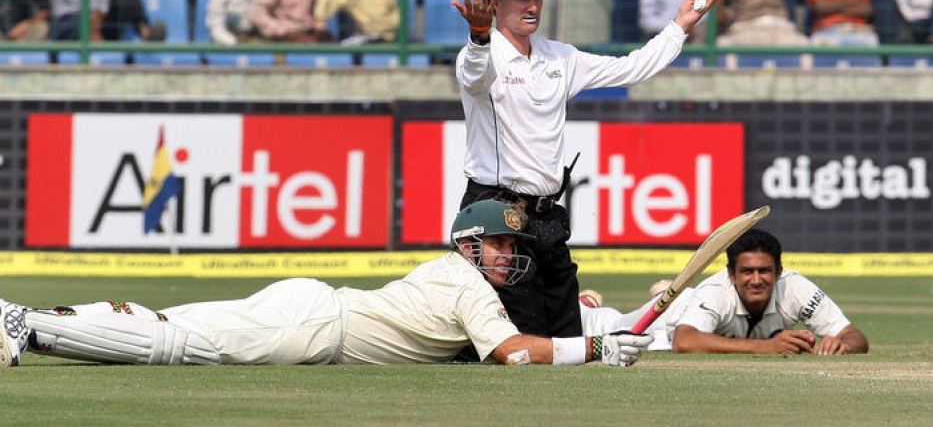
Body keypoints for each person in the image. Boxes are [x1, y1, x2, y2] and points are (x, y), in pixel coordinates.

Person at [0, 200, 652, 368]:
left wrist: (595, 316)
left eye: (514, 245)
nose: (510, 254)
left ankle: (22, 314)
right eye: (501, 244)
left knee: (164, 321)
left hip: (310, 306)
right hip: (314, 327)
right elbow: (513, 354)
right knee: (185, 346)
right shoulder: (467, 284)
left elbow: (515, 333)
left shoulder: (463, 280)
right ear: (468, 244)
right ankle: (29, 326)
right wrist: (592, 348)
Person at [449, 0, 727, 339]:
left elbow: (631, 67)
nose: (532, 6)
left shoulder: (560, 57)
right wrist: (479, 38)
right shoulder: (479, 54)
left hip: (546, 215)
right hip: (496, 212)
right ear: (494, 3)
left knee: (566, 333)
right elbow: (475, 78)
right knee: (516, 336)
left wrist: (679, 26)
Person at [671, 228, 869, 355]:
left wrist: (842, 346)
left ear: (778, 272)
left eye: (764, 271)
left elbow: (855, 337)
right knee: (676, 305)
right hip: (665, 322)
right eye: (747, 272)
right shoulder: (715, 292)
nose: (756, 280)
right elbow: (684, 341)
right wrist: (767, 346)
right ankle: (662, 291)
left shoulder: (794, 287)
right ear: (732, 274)